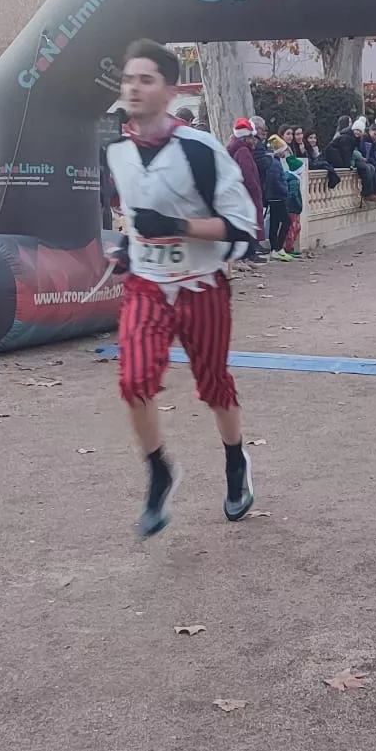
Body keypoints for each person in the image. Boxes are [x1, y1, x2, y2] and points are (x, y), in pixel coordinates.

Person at [103, 40, 262, 536]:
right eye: (129, 79)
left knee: (214, 383)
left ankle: (236, 463)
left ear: (170, 92)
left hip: (202, 287)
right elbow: (134, 217)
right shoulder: (117, 152)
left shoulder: (200, 149)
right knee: (133, 381)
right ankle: (159, 472)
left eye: (146, 79)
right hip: (148, 287)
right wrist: (128, 247)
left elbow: (244, 227)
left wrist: (178, 226)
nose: (133, 87)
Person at [226, 119, 267, 250]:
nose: (254, 140)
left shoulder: (238, 149)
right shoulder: (243, 151)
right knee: (250, 223)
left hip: (241, 193)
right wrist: (255, 189)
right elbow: (247, 173)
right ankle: (249, 253)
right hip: (247, 193)